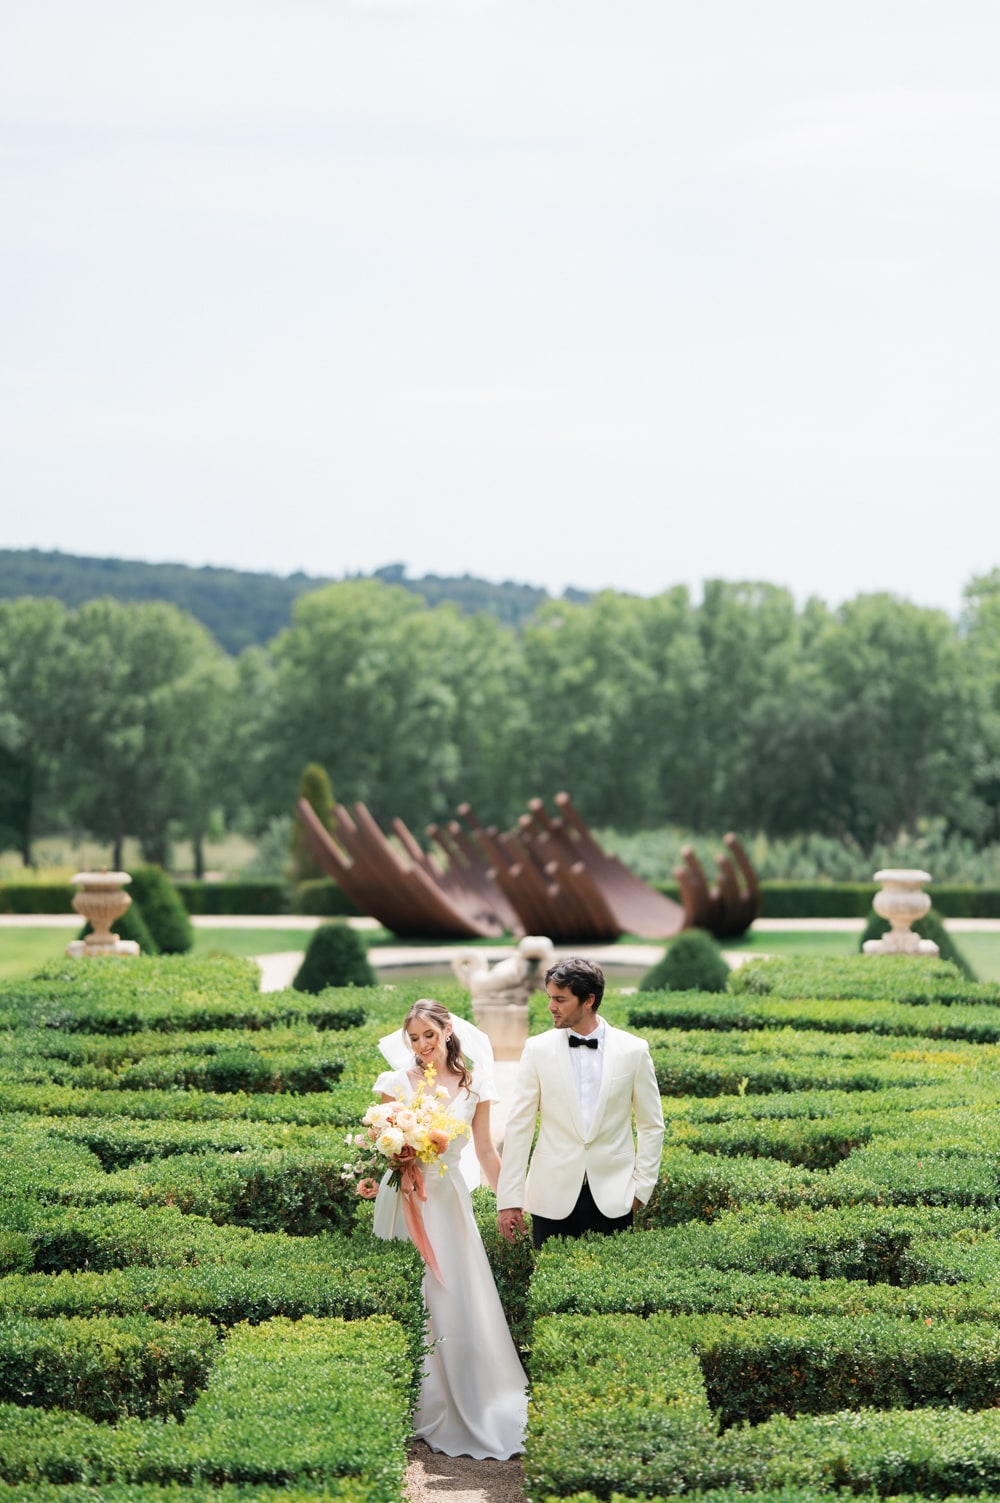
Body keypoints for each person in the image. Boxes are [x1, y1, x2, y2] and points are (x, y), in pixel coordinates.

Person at [371, 999, 527, 1460]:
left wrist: (511, 1200)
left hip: (449, 1202)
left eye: (429, 1036)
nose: (421, 1046)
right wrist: (396, 1152)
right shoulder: (394, 1083)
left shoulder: (474, 1086)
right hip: (404, 1198)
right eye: (414, 1038)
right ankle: (404, 1401)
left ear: (447, 1033)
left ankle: (468, 1395)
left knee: (455, 1292)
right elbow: (379, 1144)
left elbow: (485, 1151)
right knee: (409, 1290)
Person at [497, 957, 664, 1248]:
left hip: (615, 1198)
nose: (551, 1006)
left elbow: (652, 1125)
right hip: (551, 1197)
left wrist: (641, 1189)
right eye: (550, 998)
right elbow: (518, 1127)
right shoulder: (537, 1050)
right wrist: (510, 1199)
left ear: (588, 1000)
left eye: (560, 999)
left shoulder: (634, 1050)